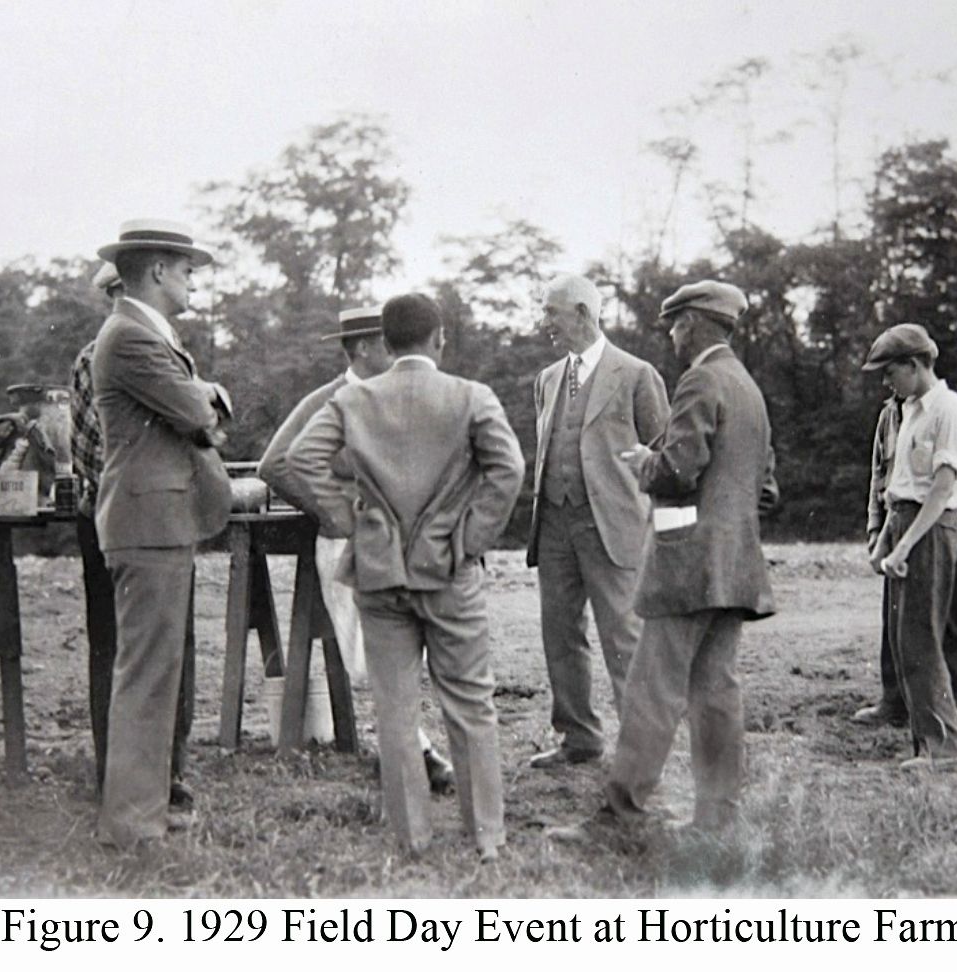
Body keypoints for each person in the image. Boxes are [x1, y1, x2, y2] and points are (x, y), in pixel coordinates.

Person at [284, 293, 524, 862]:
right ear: (439, 339)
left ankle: (411, 837)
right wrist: (470, 537)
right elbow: (508, 468)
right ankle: (486, 837)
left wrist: (347, 519)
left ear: (386, 345)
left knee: (395, 708)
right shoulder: (472, 396)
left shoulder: (353, 398)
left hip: (378, 571)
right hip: (449, 571)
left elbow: (298, 460)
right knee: (470, 702)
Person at [554, 280, 777, 839]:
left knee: (651, 689)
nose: (673, 337)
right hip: (737, 564)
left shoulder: (701, 379)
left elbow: (680, 469)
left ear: (697, 324)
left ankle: (620, 816)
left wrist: (643, 462)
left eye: (676, 325)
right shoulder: (747, 386)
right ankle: (716, 816)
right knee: (716, 691)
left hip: (686, 563)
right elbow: (766, 490)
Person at [257, 305, 454, 791]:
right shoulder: (329, 400)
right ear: (362, 349)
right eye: (385, 344)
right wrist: (333, 513)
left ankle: (408, 749)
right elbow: (276, 463)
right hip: (351, 548)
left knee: (411, 650)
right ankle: (413, 753)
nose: (395, 352)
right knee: (370, 656)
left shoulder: (402, 396)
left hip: (404, 545)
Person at [91, 219, 233, 846]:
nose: (192, 279)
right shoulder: (129, 337)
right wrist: (207, 395)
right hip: (147, 523)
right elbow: (198, 413)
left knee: (153, 674)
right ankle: (130, 825)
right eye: (186, 268)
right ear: (155, 272)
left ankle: (140, 816)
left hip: (158, 521)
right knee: (148, 677)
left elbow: (195, 413)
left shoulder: (140, 334)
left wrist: (200, 399)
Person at [526, 274, 669, 769]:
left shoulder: (635, 374)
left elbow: (667, 456)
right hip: (555, 528)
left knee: (624, 638)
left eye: (552, 313)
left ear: (583, 314)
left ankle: (641, 748)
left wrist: (665, 528)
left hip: (614, 527)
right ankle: (579, 738)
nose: (544, 323)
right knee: (560, 634)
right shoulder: (546, 380)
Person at [71, 262, 194, 806]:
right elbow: (100, 454)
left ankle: (161, 773)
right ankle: (130, 777)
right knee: (125, 650)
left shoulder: (144, 348)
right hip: (119, 518)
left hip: (126, 515)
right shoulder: (109, 354)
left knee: (156, 649)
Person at [862, 323, 957, 773]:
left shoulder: (949, 408)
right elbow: (899, 484)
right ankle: (927, 746)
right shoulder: (909, 410)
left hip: (932, 529)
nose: (886, 383)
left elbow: (942, 486)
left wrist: (906, 545)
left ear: (914, 365)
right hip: (906, 524)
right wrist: (884, 541)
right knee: (904, 640)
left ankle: (948, 752)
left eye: (891, 372)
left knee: (922, 641)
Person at [854, 390, 957, 728]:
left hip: (942, 523)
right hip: (897, 524)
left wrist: (947, 513)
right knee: (895, 614)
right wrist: (875, 526)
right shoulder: (889, 416)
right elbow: (879, 475)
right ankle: (895, 699)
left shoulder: (945, 409)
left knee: (949, 610)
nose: (888, 383)